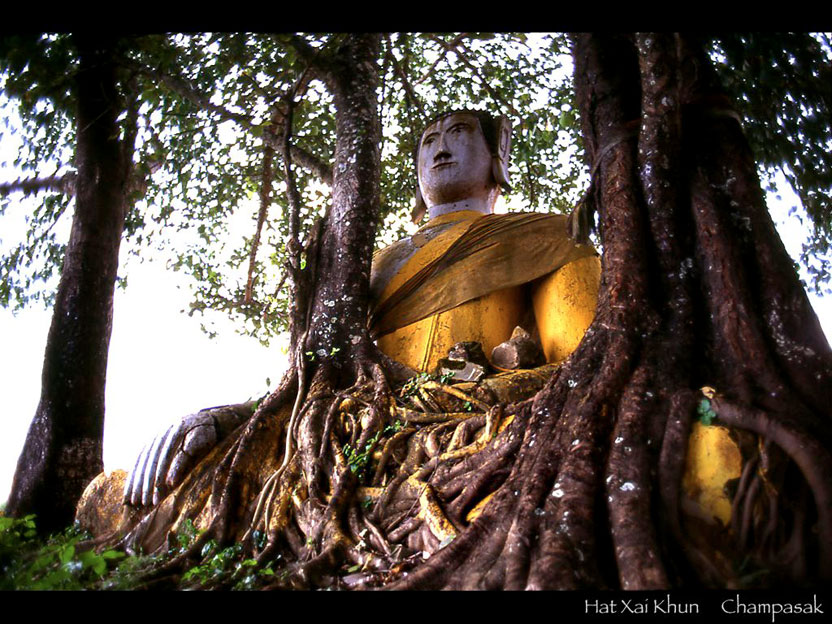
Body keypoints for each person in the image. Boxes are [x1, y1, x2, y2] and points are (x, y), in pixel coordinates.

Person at [76, 110, 738, 543]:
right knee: (125, 490)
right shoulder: (366, 268)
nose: (438, 145)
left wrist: (490, 383)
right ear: (414, 174)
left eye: (457, 132)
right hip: (348, 437)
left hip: (484, 431)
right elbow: (311, 385)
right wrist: (227, 417)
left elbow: (588, 365)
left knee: (704, 458)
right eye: (426, 140)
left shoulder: (544, 237)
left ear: (497, 158)